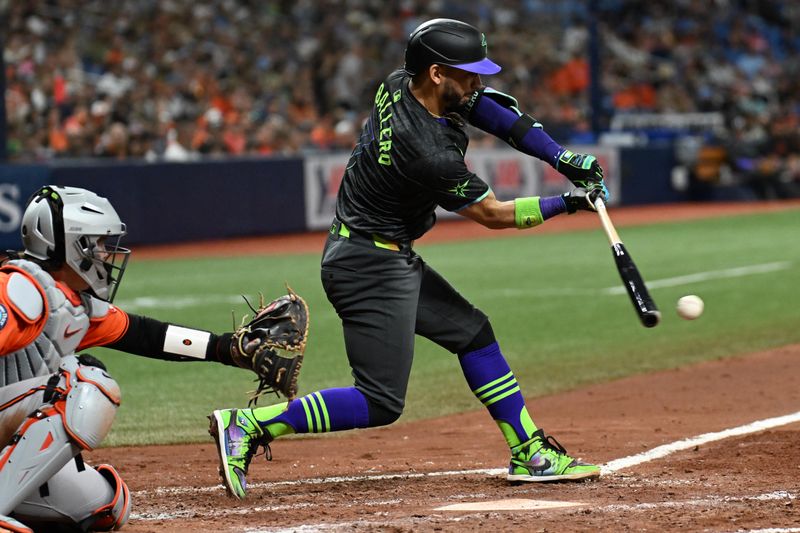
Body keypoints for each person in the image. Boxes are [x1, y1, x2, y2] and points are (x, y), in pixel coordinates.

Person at [209, 18, 608, 499]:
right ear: (438, 73)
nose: (477, 83)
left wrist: (562, 158)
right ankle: (249, 424)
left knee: (473, 334)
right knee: (379, 400)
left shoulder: (403, 82)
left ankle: (529, 452)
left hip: (378, 253)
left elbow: (495, 112)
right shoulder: (427, 152)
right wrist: (566, 202)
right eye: (468, 73)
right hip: (367, 265)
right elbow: (493, 214)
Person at [0, 185, 297, 532]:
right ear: (70, 245)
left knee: (105, 504)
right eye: (96, 244)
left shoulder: (70, 303)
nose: (104, 254)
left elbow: (144, 335)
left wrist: (226, 348)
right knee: (84, 384)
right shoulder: (19, 291)